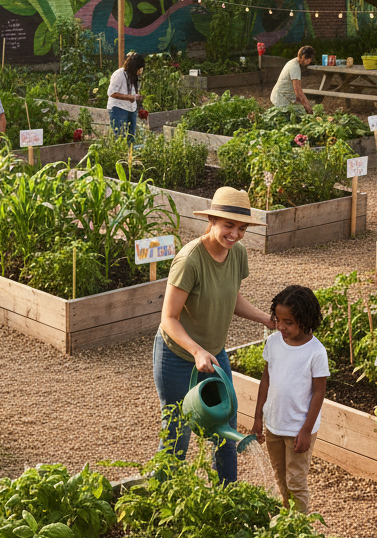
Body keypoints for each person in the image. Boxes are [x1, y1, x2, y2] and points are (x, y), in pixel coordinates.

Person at [154, 186, 276, 483]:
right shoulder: (190, 260)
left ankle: (228, 499)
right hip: (177, 356)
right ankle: (160, 503)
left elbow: (231, 297)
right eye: (228, 226)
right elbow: (168, 318)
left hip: (215, 354)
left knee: (226, 432)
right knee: (177, 437)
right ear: (212, 221)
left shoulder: (238, 254)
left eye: (241, 228)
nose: (234, 234)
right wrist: (196, 351)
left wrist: (265, 318)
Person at [251, 285, 329, 513]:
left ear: (306, 320)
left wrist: (306, 430)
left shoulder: (316, 352)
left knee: (296, 482)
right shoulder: (274, 342)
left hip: (298, 430)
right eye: (278, 320)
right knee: (281, 480)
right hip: (274, 425)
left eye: (289, 322)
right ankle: (287, 522)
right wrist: (258, 417)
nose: (281, 327)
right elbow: (265, 380)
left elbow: (319, 393)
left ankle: (300, 529)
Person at [106, 51, 144, 143]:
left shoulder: (133, 76)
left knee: (131, 137)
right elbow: (111, 93)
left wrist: (135, 96)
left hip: (130, 109)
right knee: (120, 137)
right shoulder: (119, 74)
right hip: (118, 108)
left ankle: (129, 155)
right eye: (139, 68)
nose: (141, 71)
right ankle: (120, 155)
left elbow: (129, 92)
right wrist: (128, 97)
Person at [269, 45, 315, 111]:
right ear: (304, 57)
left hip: (286, 96)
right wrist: (307, 107)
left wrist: (306, 103)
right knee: (298, 114)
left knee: (305, 107)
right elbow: (298, 93)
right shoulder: (295, 67)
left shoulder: (294, 62)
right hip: (280, 97)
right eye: (309, 60)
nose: (309, 62)